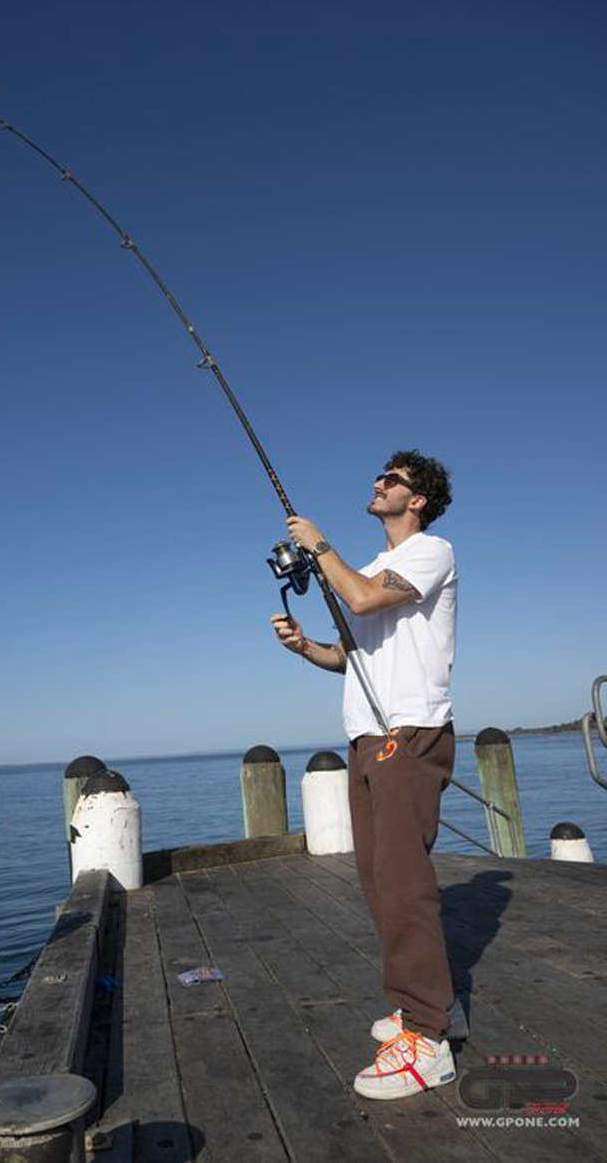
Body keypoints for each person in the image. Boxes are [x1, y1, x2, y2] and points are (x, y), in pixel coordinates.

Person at [271, 448, 464, 1100]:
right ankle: (427, 1006)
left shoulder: (430, 551)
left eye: (394, 480)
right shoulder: (376, 564)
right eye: (381, 476)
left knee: (406, 883)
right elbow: (350, 654)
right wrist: (305, 648)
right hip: (365, 739)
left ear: (418, 500)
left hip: (408, 733)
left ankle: (430, 1040)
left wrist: (319, 543)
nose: (379, 483)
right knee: (379, 878)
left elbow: (360, 597)